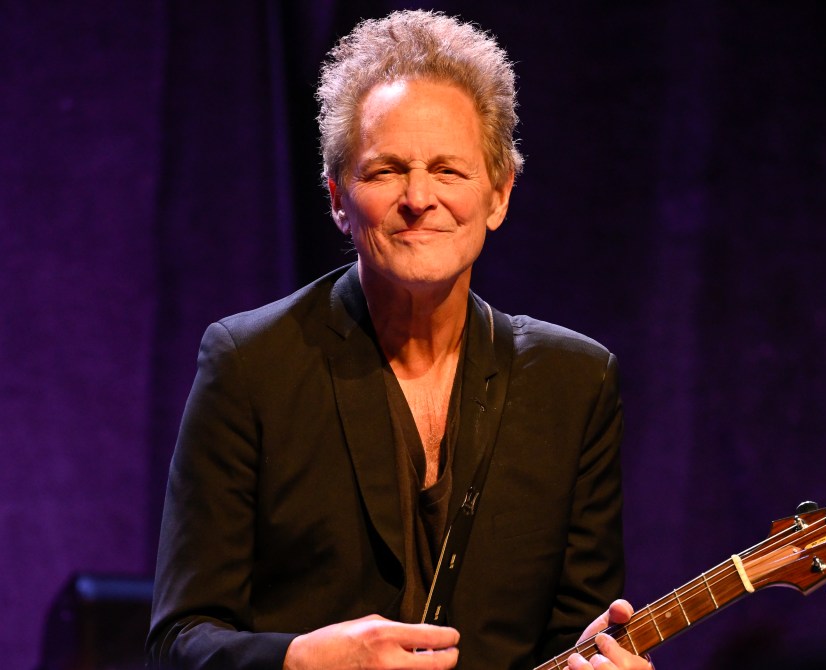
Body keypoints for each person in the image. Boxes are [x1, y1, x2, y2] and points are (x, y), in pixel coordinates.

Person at [147, 10, 652, 670]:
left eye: (448, 170)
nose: (418, 197)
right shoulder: (249, 366)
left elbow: (574, 638)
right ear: (336, 196)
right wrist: (301, 661)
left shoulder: (575, 383)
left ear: (499, 194)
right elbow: (177, 642)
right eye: (385, 170)